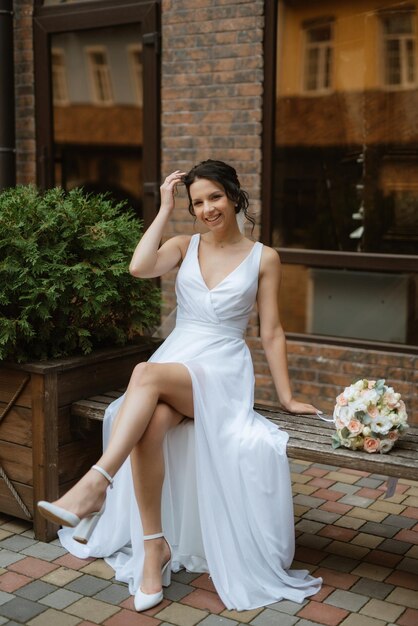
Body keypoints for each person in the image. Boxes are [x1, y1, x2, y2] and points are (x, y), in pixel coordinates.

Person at [38, 159, 322, 611]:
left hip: (221, 370)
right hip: (178, 360)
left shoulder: (264, 257)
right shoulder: (183, 245)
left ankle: (96, 482)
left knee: (143, 374)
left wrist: (286, 397)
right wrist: (163, 208)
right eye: (197, 202)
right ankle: (154, 548)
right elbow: (138, 266)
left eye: (215, 197)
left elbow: (271, 331)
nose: (207, 208)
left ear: (233, 196)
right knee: (149, 425)